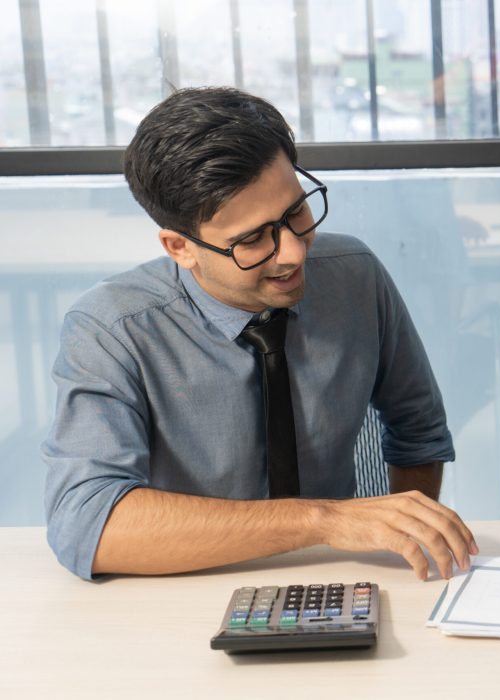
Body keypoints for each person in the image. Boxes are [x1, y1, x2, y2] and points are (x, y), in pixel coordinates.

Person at [43, 87, 477, 581]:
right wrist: (322, 519)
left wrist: (403, 545)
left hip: (338, 576)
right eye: (252, 239)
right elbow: (85, 522)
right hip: (191, 583)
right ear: (179, 246)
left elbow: (418, 430)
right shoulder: (111, 328)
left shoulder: (355, 275)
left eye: (296, 213)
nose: (293, 253)